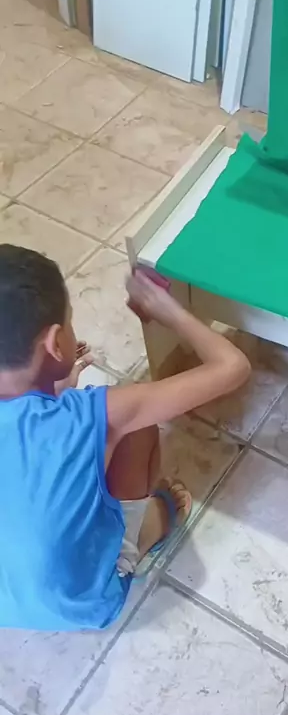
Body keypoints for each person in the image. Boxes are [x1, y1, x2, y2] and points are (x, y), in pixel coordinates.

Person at [0, 244, 250, 631]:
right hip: (85, 605)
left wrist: (55, 391)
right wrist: (167, 309)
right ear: (55, 343)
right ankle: (143, 536)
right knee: (136, 427)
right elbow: (233, 367)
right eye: (69, 321)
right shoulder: (91, 415)